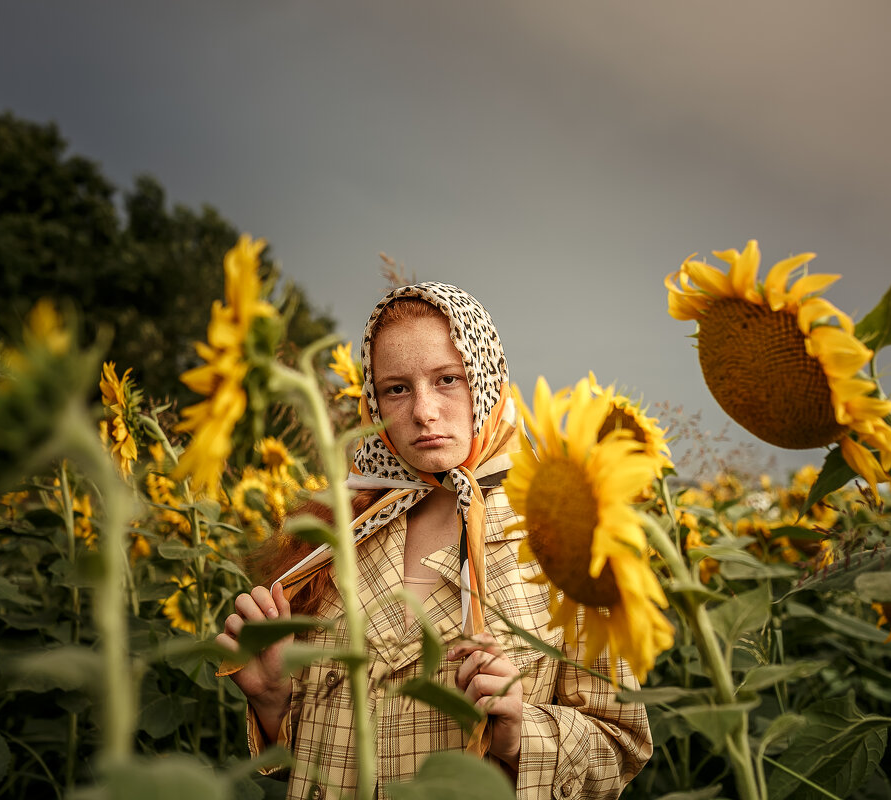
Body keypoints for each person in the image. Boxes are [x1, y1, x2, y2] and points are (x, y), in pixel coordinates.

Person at [216, 282, 652, 799]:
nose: (424, 411)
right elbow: (321, 756)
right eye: (397, 389)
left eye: (448, 379)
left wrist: (519, 732)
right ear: (372, 402)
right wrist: (272, 702)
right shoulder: (336, 533)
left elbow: (620, 742)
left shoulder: (570, 537)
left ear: (487, 381)